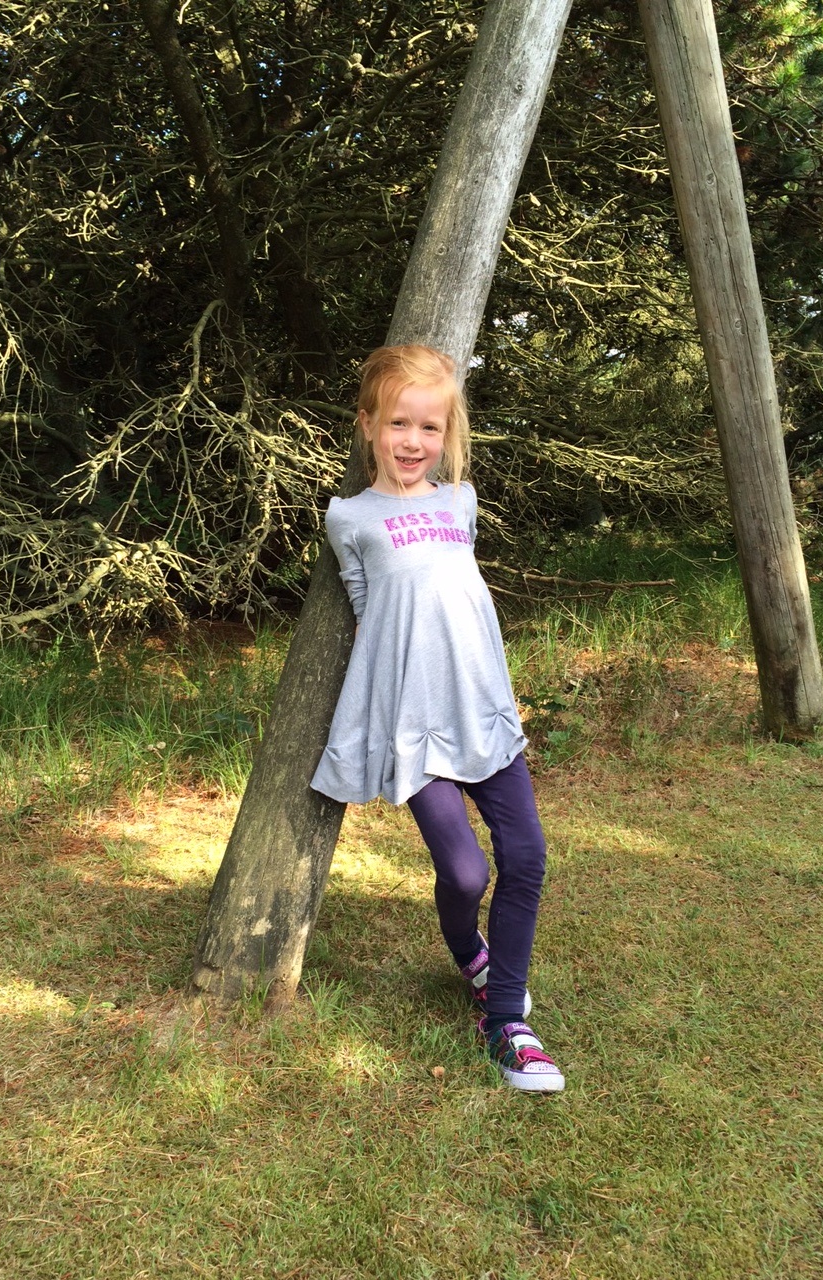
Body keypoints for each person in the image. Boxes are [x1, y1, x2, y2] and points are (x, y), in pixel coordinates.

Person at [310, 344, 564, 1093]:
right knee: (464, 871)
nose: (413, 440)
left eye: (430, 426)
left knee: (527, 858)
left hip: (483, 710)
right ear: (368, 425)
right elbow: (368, 605)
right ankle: (469, 954)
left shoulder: (461, 501)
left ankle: (506, 1020)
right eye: (398, 423)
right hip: (414, 722)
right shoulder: (350, 517)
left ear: (448, 432)